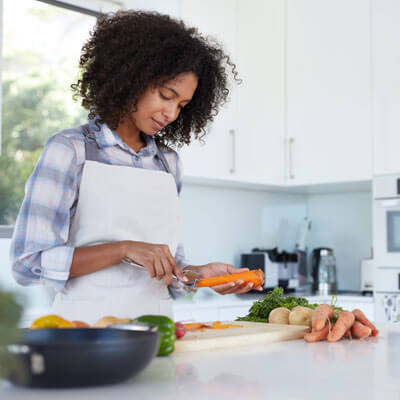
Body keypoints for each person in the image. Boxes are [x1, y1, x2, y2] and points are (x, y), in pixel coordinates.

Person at [10, 10, 262, 325]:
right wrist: (124, 249)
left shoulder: (168, 163)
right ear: (132, 78)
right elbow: (29, 262)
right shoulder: (70, 150)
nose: (171, 113)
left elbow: (170, 270)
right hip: (85, 332)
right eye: (165, 95)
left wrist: (200, 275)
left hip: (158, 332)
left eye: (181, 105)